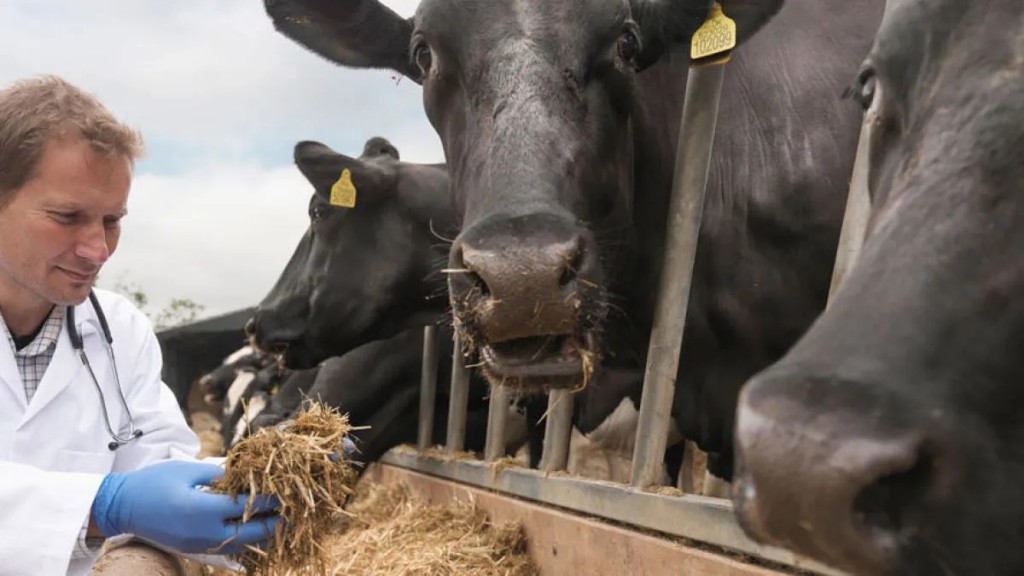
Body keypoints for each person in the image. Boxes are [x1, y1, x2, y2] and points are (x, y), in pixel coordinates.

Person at [0, 75, 282, 576]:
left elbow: (161, 475)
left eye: (112, 220)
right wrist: (104, 502)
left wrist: (263, 476)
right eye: (68, 216)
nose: (99, 249)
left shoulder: (119, 331)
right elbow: (126, 499)